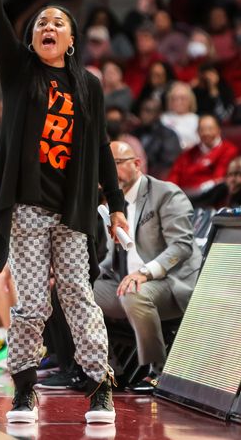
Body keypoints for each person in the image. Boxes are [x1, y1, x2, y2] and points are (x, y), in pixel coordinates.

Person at [0, 0, 129, 425]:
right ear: (32, 37)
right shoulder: (20, 73)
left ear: (71, 39)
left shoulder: (89, 85)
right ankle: (24, 387)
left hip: (73, 209)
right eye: (42, 22)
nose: (48, 25)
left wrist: (118, 201)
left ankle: (100, 385)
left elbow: (102, 146)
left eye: (58, 22)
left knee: (80, 297)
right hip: (27, 207)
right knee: (33, 303)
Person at [94, 141, 201, 392]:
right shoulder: (113, 204)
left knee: (134, 292)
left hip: (172, 284)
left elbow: (182, 246)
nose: (110, 172)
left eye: (117, 164)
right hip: (129, 281)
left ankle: (158, 371)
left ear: (137, 164)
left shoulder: (166, 194)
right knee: (77, 292)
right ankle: (108, 370)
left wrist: (144, 272)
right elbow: (113, 258)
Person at [167, 114, 238, 201]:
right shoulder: (189, 153)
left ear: (219, 130)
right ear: (197, 132)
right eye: (202, 130)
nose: (206, 133)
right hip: (182, 196)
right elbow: (174, 175)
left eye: (210, 129)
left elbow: (219, 179)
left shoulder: (228, 150)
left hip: (208, 197)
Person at [132, 97, 181, 179]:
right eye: (142, 110)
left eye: (148, 111)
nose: (143, 114)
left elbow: (167, 165)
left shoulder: (168, 135)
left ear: (158, 114)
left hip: (157, 180)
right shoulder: (135, 133)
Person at [161, 82, 200, 150]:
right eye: (175, 98)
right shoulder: (163, 118)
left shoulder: (196, 120)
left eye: (183, 98)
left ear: (190, 100)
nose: (179, 102)